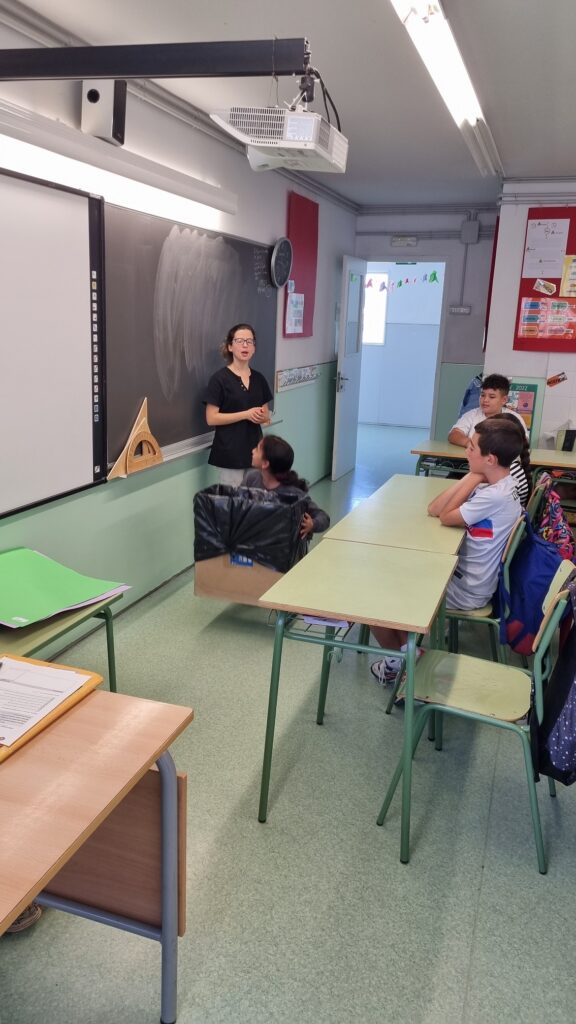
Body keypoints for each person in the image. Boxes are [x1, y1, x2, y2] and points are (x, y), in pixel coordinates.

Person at [371, 417, 523, 683]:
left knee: (374, 597)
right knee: (393, 573)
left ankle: (398, 663)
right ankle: (407, 653)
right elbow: (434, 508)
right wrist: (474, 476)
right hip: (466, 577)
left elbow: (445, 516)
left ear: (490, 459)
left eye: (472, 448)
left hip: (466, 590)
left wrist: (471, 477)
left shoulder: (494, 495)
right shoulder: (499, 484)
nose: (466, 451)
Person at [204, 323, 273, 486]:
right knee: (233, 499)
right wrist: (246, 414)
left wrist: (263, 417)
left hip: (255, 452)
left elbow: (266, 414)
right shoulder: (219, 379)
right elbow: (211, 418)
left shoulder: (259, 379)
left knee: (254, 497)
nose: (245, 345)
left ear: (254, 348)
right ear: (230, 346)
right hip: (229, 453)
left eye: (249, 341)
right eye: (240, 341)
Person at [243, 435, 330, 539]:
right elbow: (238, 502)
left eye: (257, 449)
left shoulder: (294, 494)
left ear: (265, 463)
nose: (252, 451)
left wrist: (312, 524)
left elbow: (324, 517)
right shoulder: (251, 478)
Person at [448, 373, 525, 446]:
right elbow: (454, 434)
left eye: (492, 397)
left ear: (504, 400)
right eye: (482, 395)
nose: (485, 400)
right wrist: (470, 444)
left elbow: (522, 442)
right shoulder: (471, 415)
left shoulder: (514, 418)